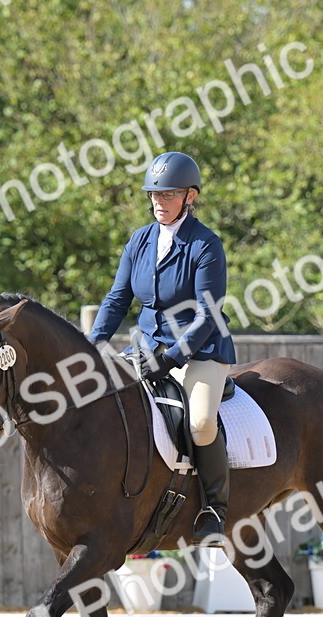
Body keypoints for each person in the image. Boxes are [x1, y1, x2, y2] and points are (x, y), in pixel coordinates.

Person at [88, 151, 237, 541]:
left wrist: (170, 359)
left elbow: (208, 317)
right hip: (146, 348)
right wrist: (92, 344)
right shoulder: (140, 240)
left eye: (168, 194)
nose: (158, 201)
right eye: (154, 194)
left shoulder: (205, 246)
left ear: (190, 196)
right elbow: (117, 299)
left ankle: (215, 508)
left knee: (201, 423)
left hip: (199, 352)